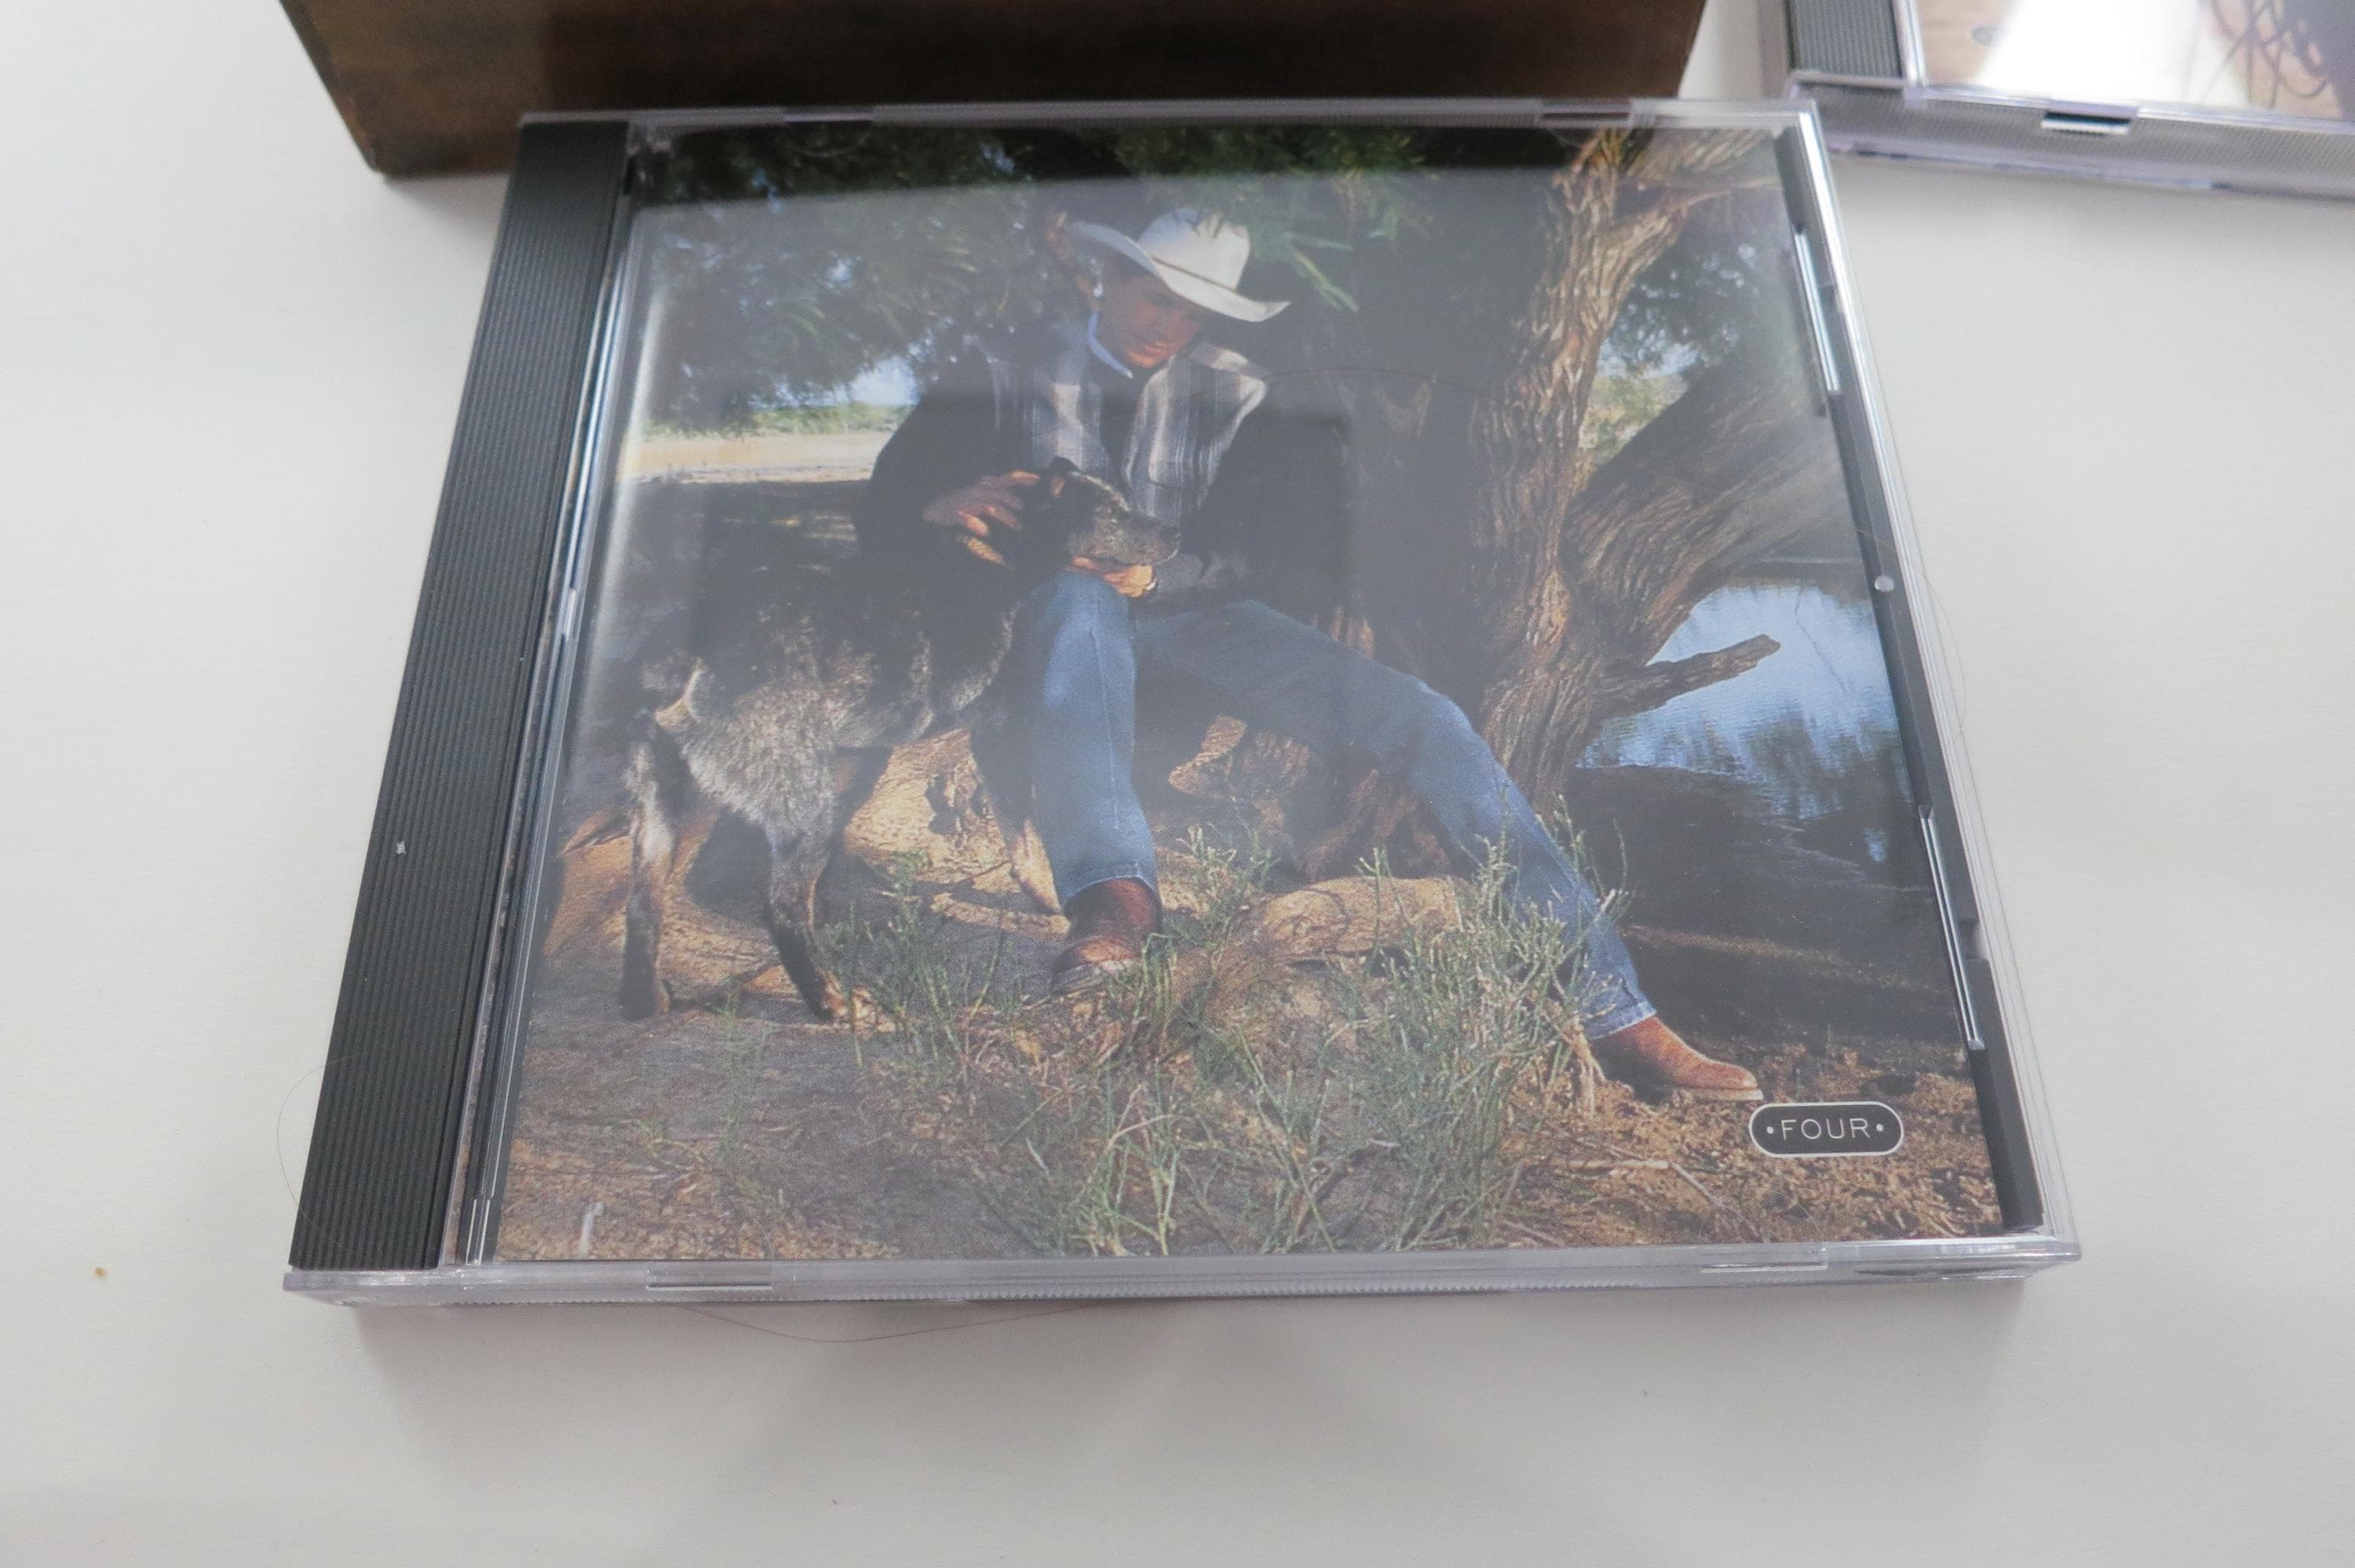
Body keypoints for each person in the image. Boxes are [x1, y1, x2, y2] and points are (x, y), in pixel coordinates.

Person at [852, 210, 1759, 1100]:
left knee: (1426, 719)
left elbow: (1270, 551)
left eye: (1191, 312)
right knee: (1080, 598)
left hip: (1196, 616)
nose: (1168, 324)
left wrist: (1162, 578)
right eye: (1155, 297)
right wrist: (937, 505)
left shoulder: (1244, 393)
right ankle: (1114, 908)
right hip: (1048, 616)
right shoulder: (1001, 370)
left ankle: (1614, 1008)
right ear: (1108, 279)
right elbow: (889, 499)